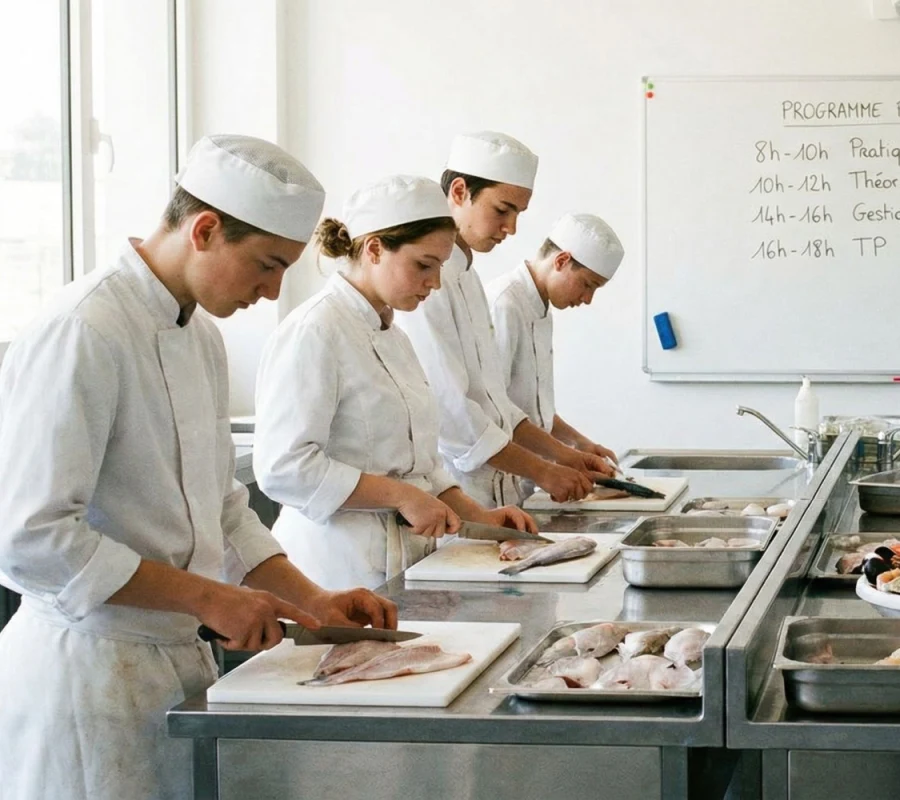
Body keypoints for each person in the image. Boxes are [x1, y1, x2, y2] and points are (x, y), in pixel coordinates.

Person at [0, 134, 397, 800]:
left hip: (172, 666)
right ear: (205, 230)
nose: (272, 292)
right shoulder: (85, 329)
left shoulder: (203, 337)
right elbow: (32, 536)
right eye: (267, 265)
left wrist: (313, 598)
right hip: (85, 676)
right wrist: (209, 597)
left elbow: (221, 509)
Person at [255, 175, 539, 590]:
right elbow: (283, 469)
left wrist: (480, 517)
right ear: (373, 249)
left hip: (403, 561)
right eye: (424, 265)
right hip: (335, 571)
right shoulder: (315, 329)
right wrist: (400, 496)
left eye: (440, 268)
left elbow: (421, 464)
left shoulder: (394, 336)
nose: (434, 283)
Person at [393, 131, 610, 508]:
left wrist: (569, 455)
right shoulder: (430, 287)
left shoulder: (469, 279)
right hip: (458, 489)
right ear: (459, 192)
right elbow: (453, 411)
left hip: (494, 488)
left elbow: (498, 404)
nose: (511, 228)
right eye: (502, 210)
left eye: (517, 215)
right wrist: (545, 469)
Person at [487, 213, 625, 491]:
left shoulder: (541, 307)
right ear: (561, 261)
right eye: (588, 284)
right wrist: (566, 457)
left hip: (527, 475)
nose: (587, 299)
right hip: (493, 476)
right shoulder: (503, 304)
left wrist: (579, 443)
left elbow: (535, 408)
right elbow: (496, 410)